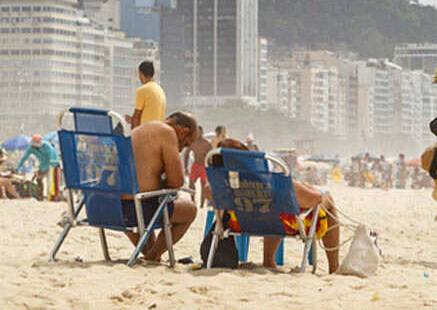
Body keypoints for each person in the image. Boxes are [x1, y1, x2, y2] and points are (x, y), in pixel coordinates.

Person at [210, 138, 342, 273]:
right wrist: (310, 191)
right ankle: (334, 268)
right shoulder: (270, 181)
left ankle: (269, 261)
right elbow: (314, 200)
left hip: (237, 223)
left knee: (272, 209)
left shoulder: (218, 183)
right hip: (279, 225)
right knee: (326, 199)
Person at [125, 112, 200, 262]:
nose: (181, 150)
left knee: (149, 203)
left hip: (114, 210)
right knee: (190, 210)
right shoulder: (167, 133)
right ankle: (152, 256)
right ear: (182, 131)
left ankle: (153, 256)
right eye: (185, 144)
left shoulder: (138, 131)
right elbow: (177, 181)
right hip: (135, 211)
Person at [14, 133, 60, 200]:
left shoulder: (47, 146)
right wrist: (17, 168)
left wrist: (53, 164)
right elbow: (24, 158)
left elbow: (52, 155)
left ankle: (52, 197)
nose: (35, 146)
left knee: (51, 181)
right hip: (43, 165)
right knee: (39, 179)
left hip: (53, 163)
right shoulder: (31, 148)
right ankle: (40, 196)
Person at [130, 60, 166, 129]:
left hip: (146, 134)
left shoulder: (143, 90)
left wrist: (134, 136)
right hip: (158, 133)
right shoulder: (161, 91)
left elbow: (137, 117)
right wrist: (132, 119)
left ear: (141, 73)